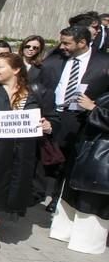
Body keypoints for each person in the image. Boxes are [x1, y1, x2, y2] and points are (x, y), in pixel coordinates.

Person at [0, 53, 56, 250]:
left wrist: (47, 125)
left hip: (21, 153)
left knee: (9, 189)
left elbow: (52, 118)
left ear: (16, 69)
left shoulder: (35, 92)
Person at [38, 25, 109, 213]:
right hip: (53, 114)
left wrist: (95, 107)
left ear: (82, 42)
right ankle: (37, 192)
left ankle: (57, 198)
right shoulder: (54, 60)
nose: (62, 47)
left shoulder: (104, 63)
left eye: (67, 43)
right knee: (47, 154)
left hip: (81, 117)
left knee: (70, 160)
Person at [50, 75, 109, 253]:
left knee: (93, 198)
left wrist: (93, 109)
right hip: (86, 147)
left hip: (102, 153)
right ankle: (65, 232)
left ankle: (87, 242)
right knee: (73, 193)